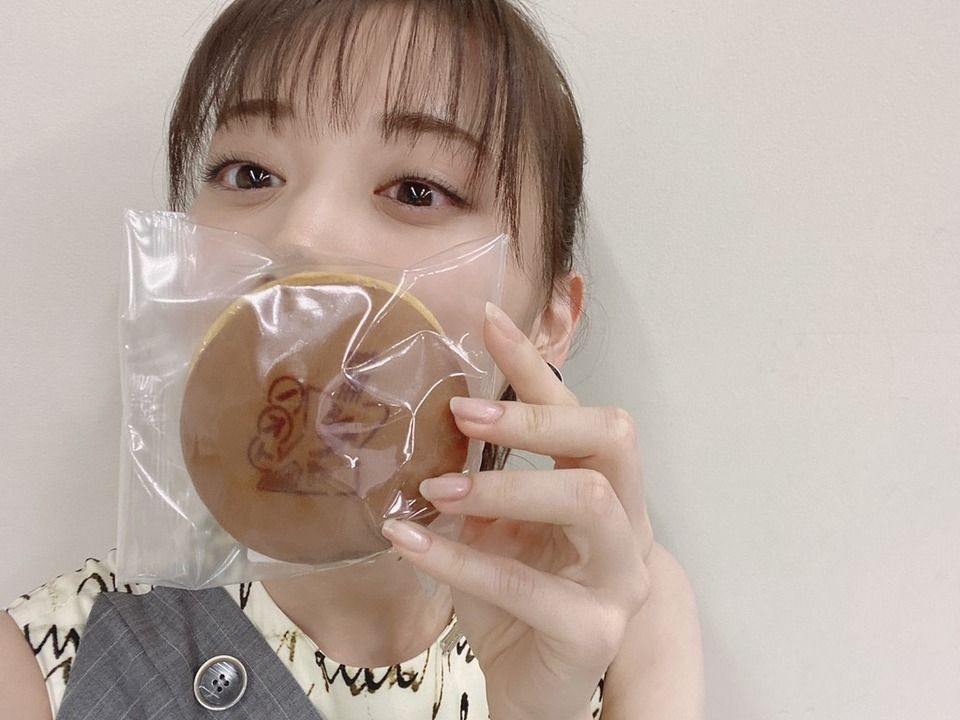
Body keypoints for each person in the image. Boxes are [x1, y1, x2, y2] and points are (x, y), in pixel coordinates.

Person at [0, 1, 704, 718]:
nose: (301, 237)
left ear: (550, 323)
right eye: (249, 174)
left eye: (417, 191)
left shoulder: (629, 622)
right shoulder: (45, 669)